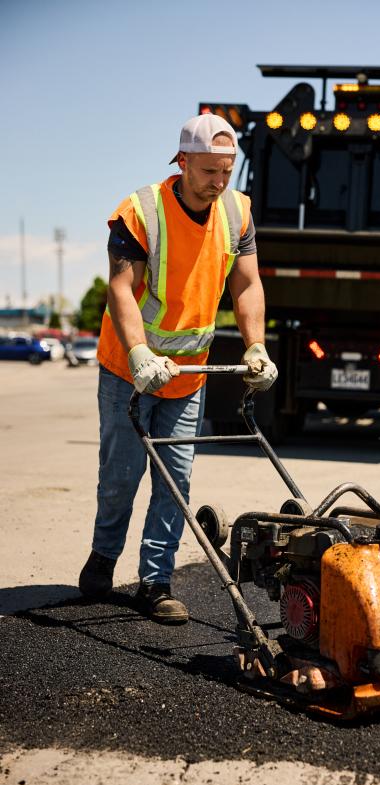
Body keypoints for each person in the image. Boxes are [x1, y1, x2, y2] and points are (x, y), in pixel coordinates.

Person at [78, 113, 277, 623]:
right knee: (122, 475)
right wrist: (141, 354)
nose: (219, 182)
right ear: (182, 162)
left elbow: (247, 284)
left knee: (176, 479)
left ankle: (155, 582)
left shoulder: (237, 213)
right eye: (210, 170)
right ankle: (102, 560)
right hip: (130, 367)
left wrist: (256, 346)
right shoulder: (142, 211)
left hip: (190, 373)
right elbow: (121, 287)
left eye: (227, 170)